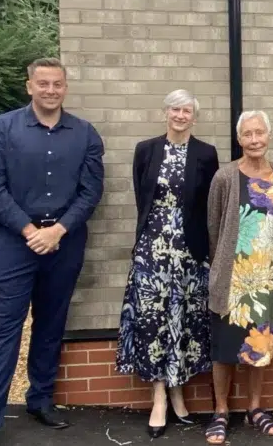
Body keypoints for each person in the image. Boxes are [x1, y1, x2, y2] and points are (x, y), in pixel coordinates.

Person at [0, 57, 105, 446]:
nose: (50, 90)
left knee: (51, 323)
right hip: (10, 242)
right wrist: (30, 229)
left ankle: (40, 399)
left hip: (64, 241)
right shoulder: (2, 129)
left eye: (57, 84)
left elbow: (91, 192)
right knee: (3, 330)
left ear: (65, 88)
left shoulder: (85, 134)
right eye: (43, 83)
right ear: (29, 86)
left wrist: (58, 231)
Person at [115, 89, 219, 438]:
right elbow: (140, 196)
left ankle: (178, 388)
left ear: (194, 115)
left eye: (187, 110)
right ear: (166, 113)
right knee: (153, 318)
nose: (180, 115)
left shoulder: (206, 154)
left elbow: (208, 204)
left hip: (189, 251)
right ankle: (159, 393)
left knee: (184, 318)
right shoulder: (147, 150)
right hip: (152, 248)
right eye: (175, 108)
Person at [204, 110, 273, 444]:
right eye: (247, 134)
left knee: (259, 346)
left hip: (267, 278)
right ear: (239, 139)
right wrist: (220, 269)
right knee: (224, 348)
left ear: (268, 136)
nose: (254, 140)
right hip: (233, 277)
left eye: (260, 133)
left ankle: (255, 408)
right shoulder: (225, 177)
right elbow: (213, 226)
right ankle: (221, 411)